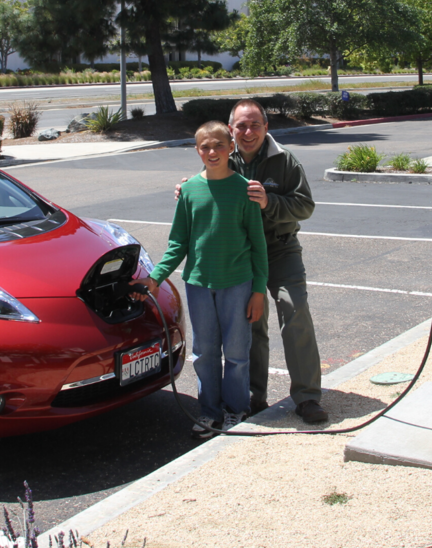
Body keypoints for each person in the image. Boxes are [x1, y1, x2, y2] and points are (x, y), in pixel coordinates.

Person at [181, 99, 327, 423]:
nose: (249, 132)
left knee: (295, 310)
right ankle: (253, 397)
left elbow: (305, 206)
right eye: (242, 126)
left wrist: (269, 202)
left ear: (266, 128)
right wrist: (185, 190)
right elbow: (203, 184)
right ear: (231, 129)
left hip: (280, 248)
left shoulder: (283, 160)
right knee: (251, 323)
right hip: (244, 254)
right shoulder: (223, 154)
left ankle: (306, 397)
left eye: (255, 125)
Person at [139, 121, 268, 438]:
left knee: (237, 354)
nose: (213, 152)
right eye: (205, 147)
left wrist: (258, 291)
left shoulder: (244, 190)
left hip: (237, 284)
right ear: (197, 150)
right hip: (198, 285)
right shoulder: (189, 191)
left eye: (219, 146)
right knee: (205, 353)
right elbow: (178, 243)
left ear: (231, 148)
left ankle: (236, 411)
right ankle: (210, 412)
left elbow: (258, 246)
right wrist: (155, 277)